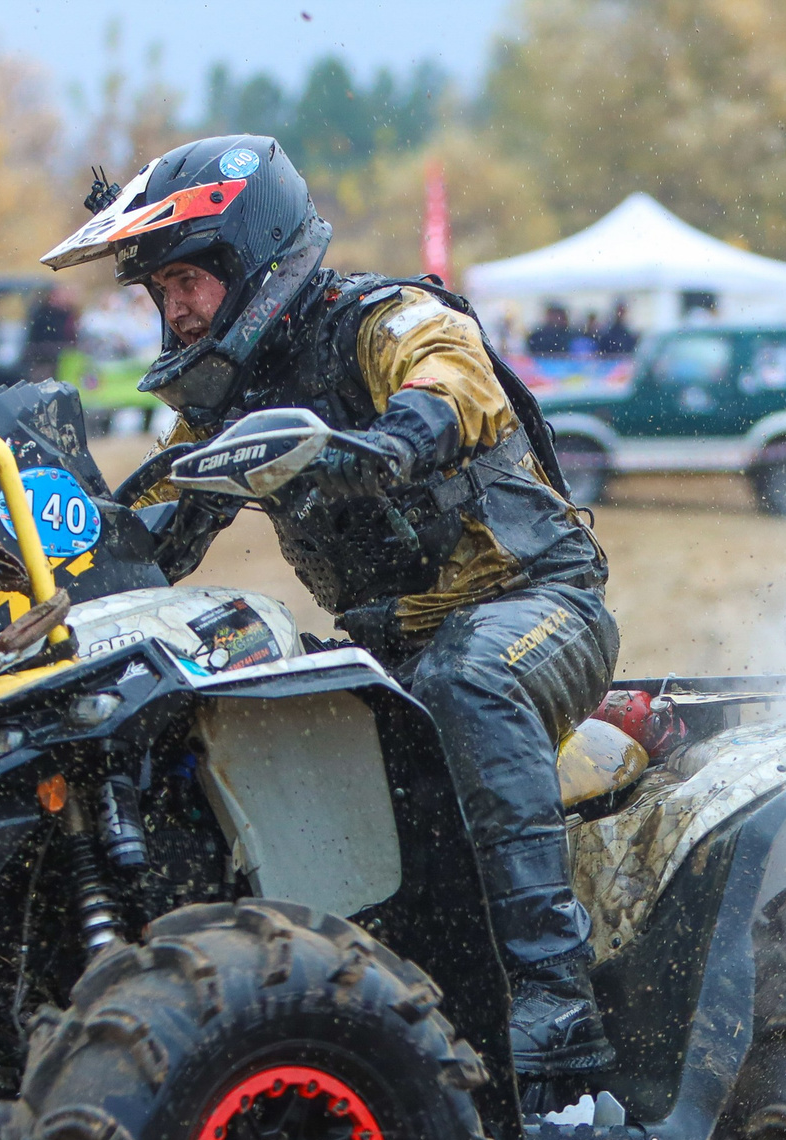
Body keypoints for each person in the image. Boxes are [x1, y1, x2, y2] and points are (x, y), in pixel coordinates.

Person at [46, 134, 622, 1079]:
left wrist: (392, 441)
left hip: (538, 605)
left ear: (251, 258)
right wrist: (47, 560)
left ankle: (559, 1005)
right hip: (389, 646)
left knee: (467, 678)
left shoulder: (381, 321)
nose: (177, 308)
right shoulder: (228, 400)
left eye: (189, 278)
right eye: (160, 292)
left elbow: (456, 381)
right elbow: (153, 532)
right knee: (245, 711)